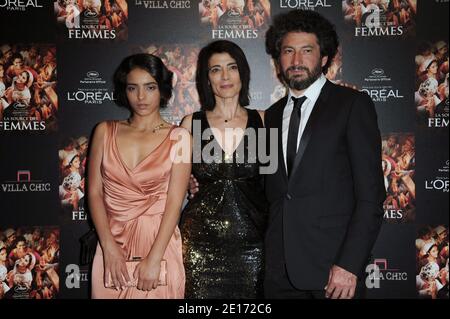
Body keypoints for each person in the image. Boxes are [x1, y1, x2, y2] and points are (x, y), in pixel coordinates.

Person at [262, 9, 385, 299]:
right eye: (288, 51)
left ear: (325, 58)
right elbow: (267, 187)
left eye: (307, 51)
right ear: (278, 60)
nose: (296, 60)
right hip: (278, 272)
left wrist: (349, 265)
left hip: (333, 273)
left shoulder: (352, 105)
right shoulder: (271, 115)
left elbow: (371, 197)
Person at [88, 53, 191, 299]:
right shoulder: (104, 131)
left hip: (159, 244)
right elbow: (94, 192)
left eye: (150, 87)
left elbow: (174, 203)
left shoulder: (180, 138)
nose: (141, 97)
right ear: (125, 91)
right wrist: (108, 247)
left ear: (164, 90)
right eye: (133, 88)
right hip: (111, 242)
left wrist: (155, 258)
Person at [180, 40, 267, 298]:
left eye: (232, 67)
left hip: (253, 244)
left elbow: (276, 181)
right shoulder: (190, 123)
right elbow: (170, 179)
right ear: (207, 79)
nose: (225, 76)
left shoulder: (263, 120)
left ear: (243, 73)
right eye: (215, 69)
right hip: (199, 244)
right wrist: (185, 180)